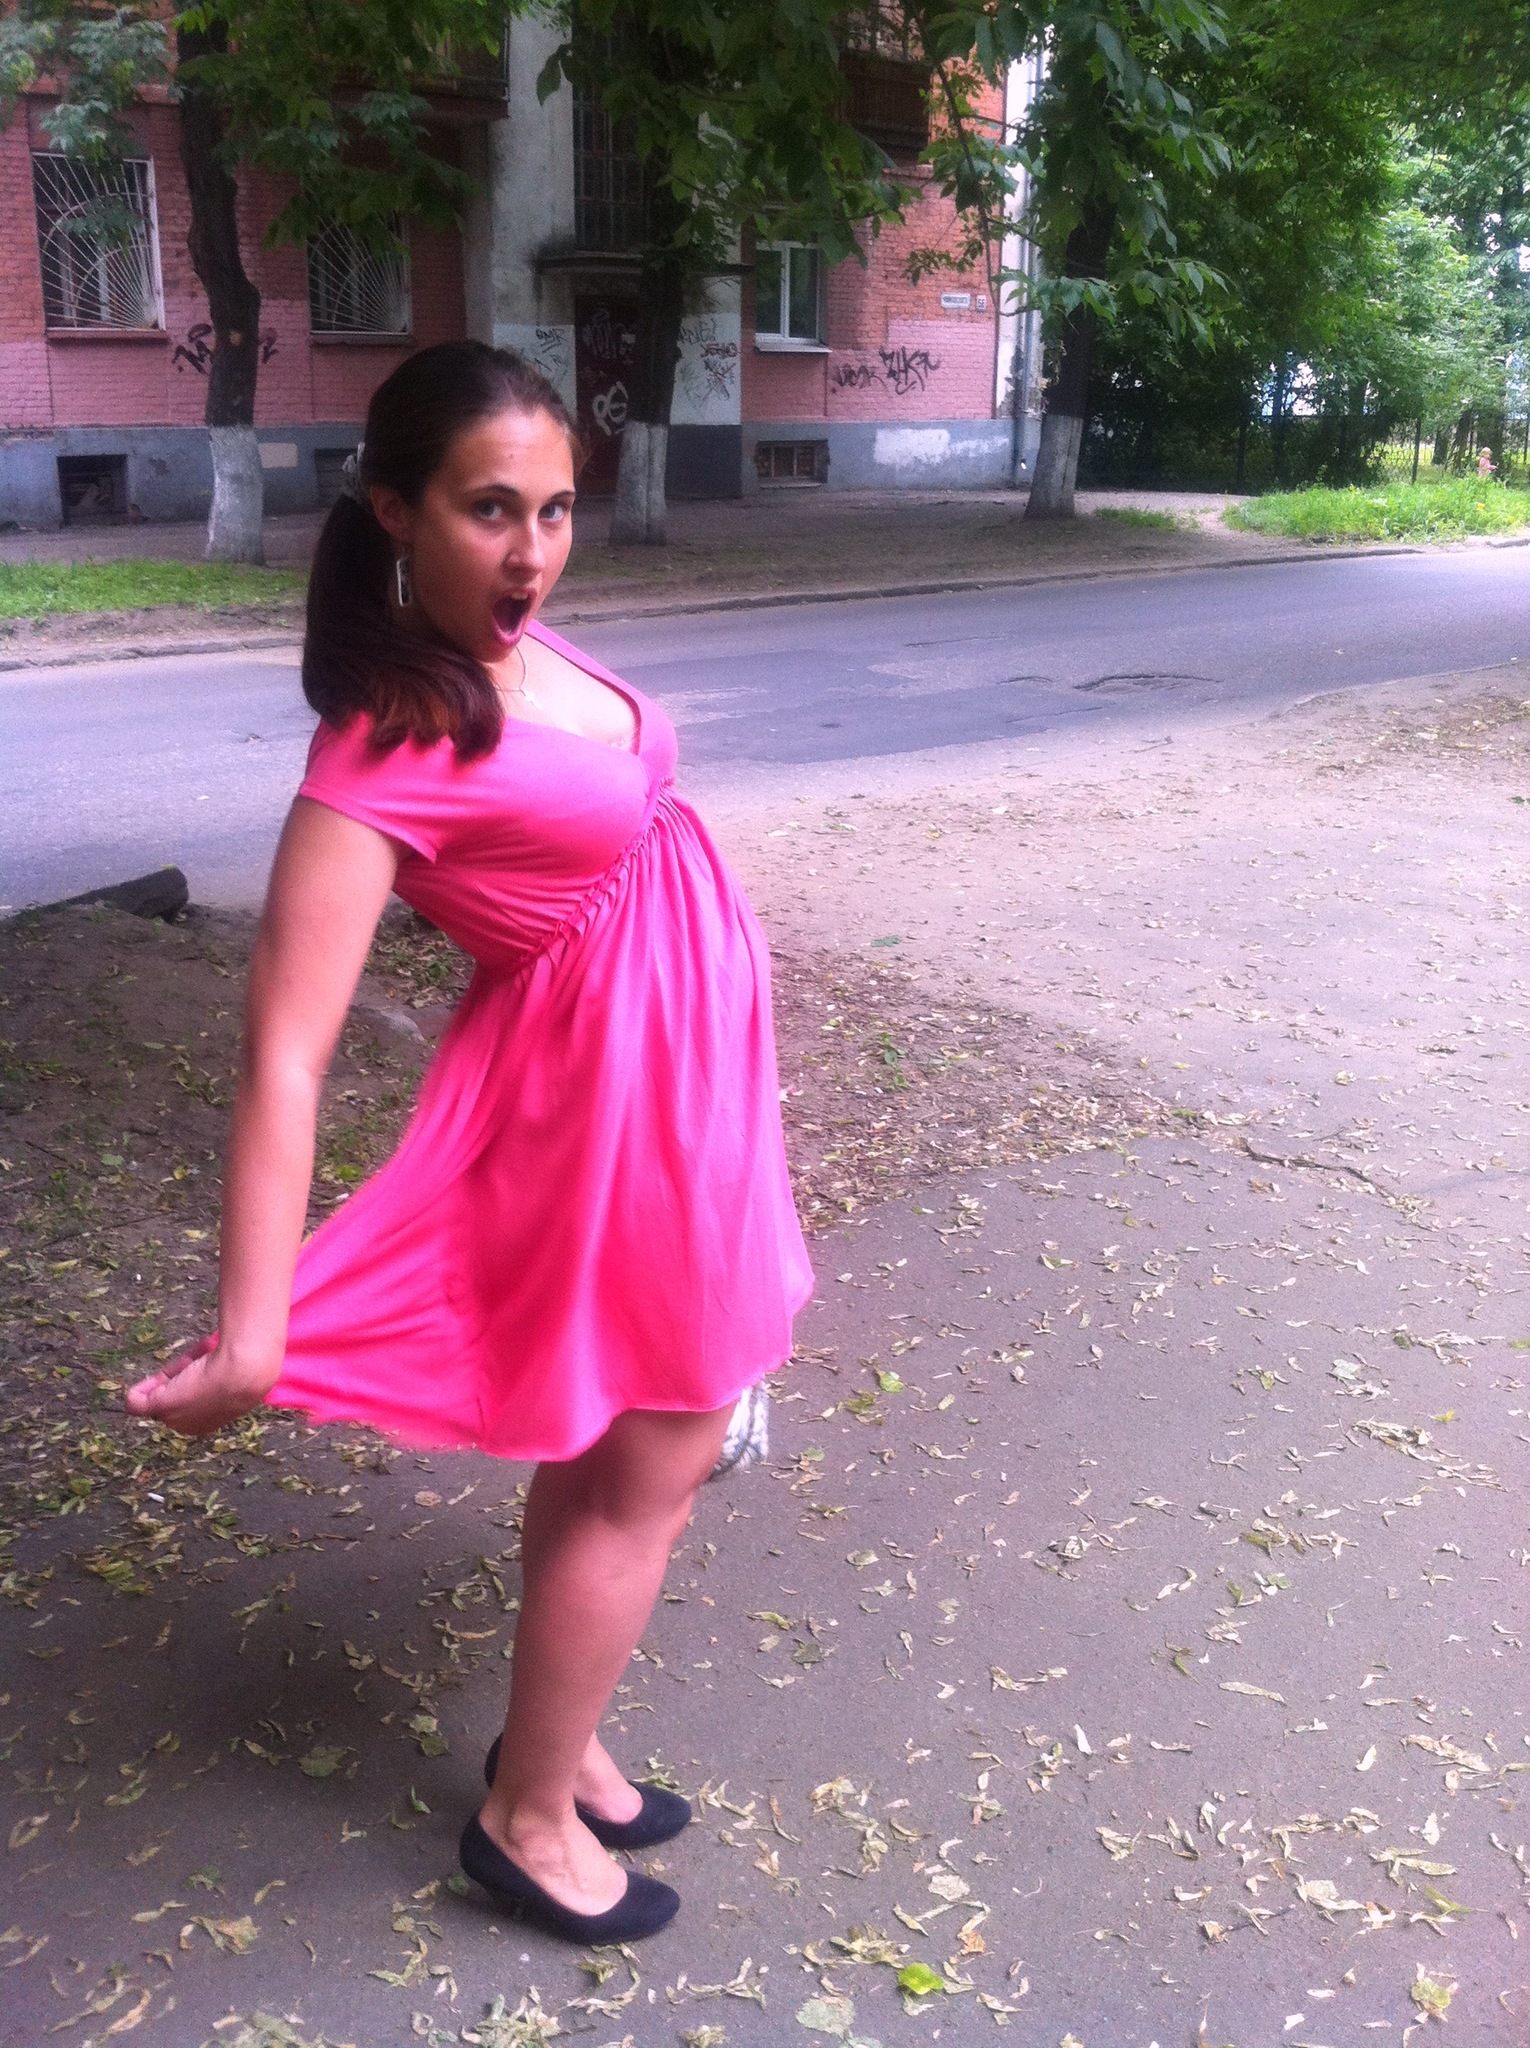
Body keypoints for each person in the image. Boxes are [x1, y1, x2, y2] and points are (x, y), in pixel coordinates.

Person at [125, 342, 813, 1945]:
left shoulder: (512, 647)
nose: (531, 552)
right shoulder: (379, 749)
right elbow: (283, 1052)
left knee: (610, 1437)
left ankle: (553, 1746)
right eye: (490, 510)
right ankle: (524, 1822)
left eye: (555, 510)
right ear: (394, 510)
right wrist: (251, 1332)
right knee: (655, 1455)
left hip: (683, 1091)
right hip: (604, 1115)